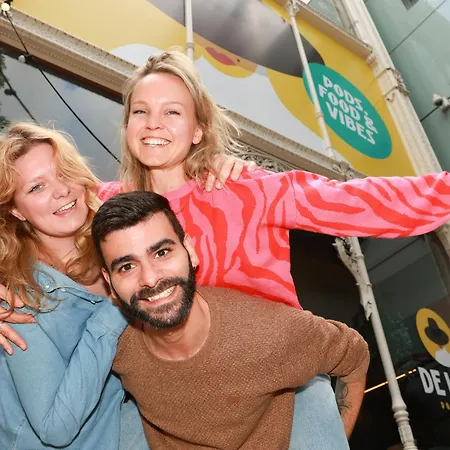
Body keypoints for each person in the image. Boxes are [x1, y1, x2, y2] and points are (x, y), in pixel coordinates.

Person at [4, 49, 450, 446]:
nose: (154, 123)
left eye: (172, 112)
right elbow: (27, 228)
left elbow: (361, 202)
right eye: (141, 111)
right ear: (128, 126)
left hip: (285, 392)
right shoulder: (107, 208)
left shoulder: (247, 189)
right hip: (178, 409)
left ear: (199, 129)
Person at [91, 190, 370, 449]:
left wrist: (331, 439)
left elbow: (354, 357)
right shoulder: (113, 347)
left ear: (190, 251)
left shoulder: (269, 332)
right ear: (109, 282)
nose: (150, 278)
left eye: (162, 253)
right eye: (127, 266)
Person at [0, 123, 149, 449]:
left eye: (64, 172)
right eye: (37, 187)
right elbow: (55, 428)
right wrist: (116, 307)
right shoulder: (19, 295)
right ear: (16, 210)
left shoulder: (121, 245)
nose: (61, 190)